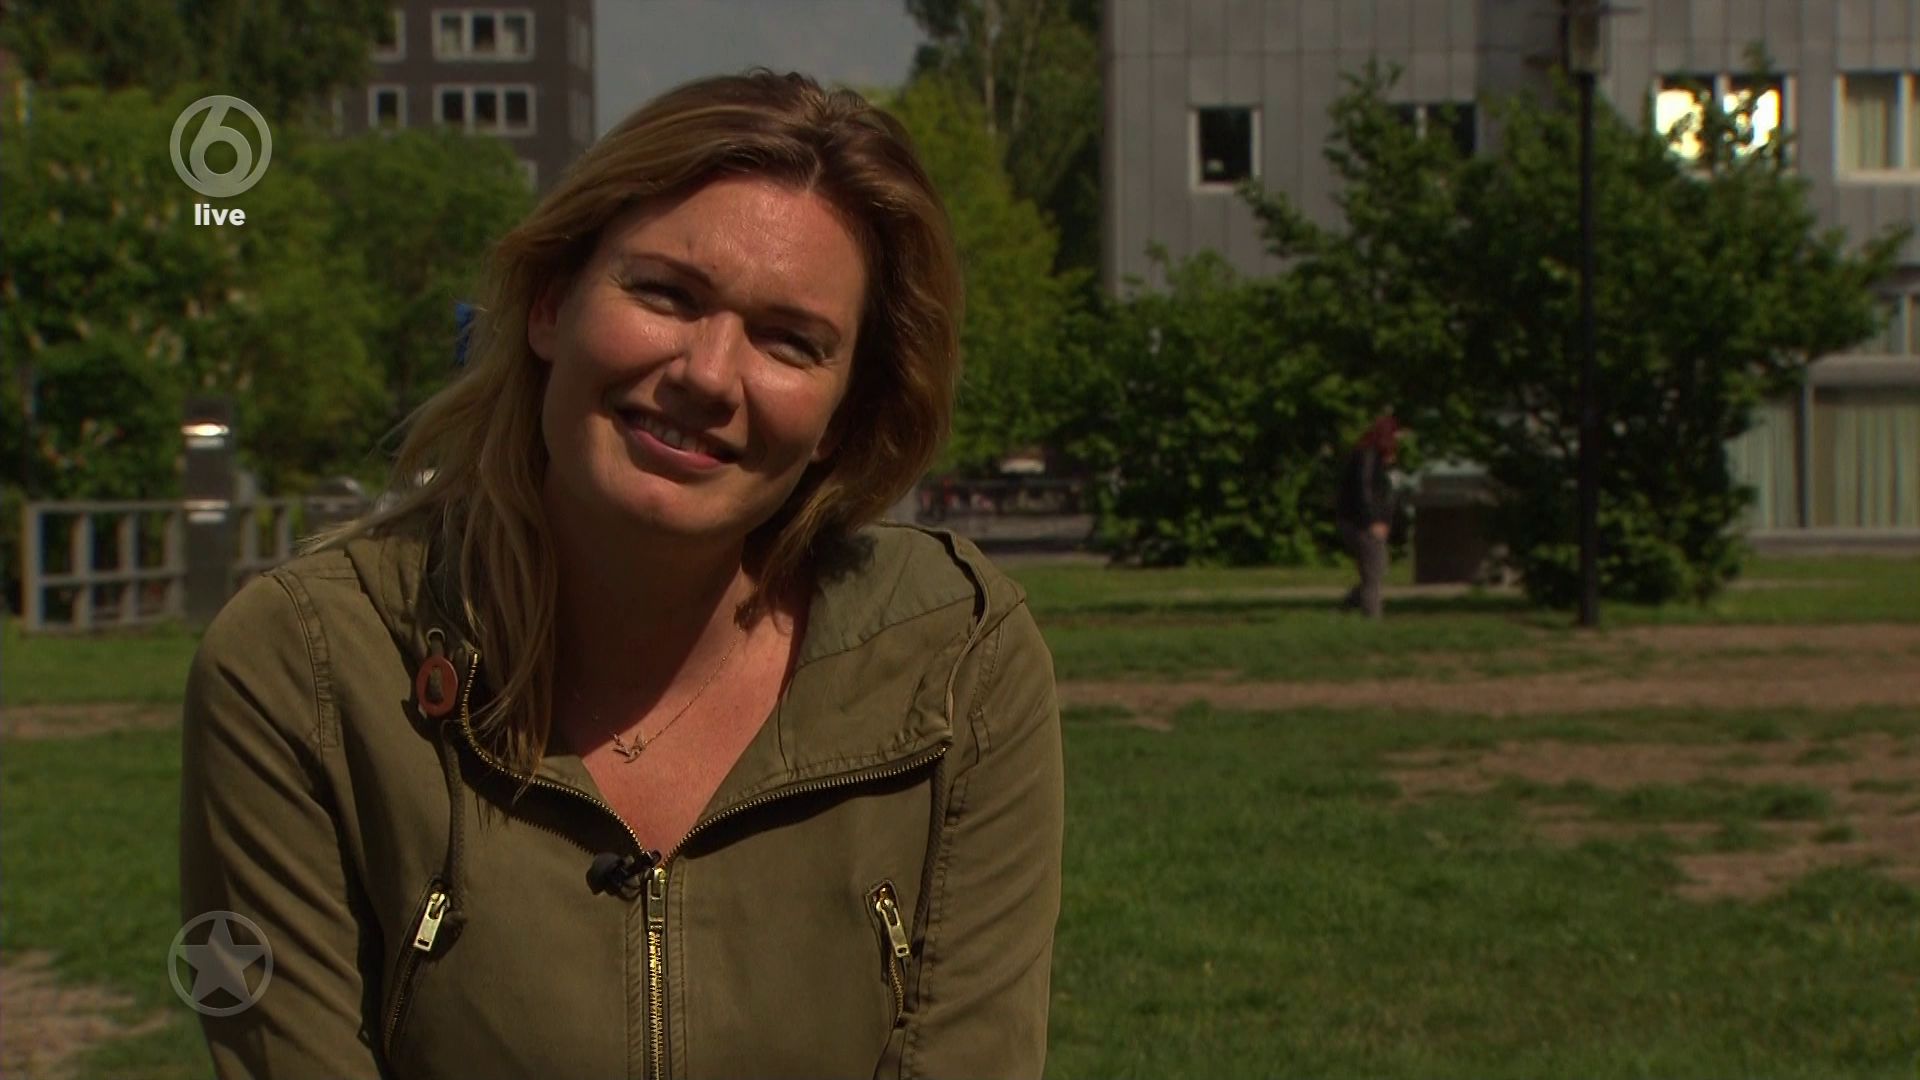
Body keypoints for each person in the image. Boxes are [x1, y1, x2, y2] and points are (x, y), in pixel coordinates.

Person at [179, 71, 1063, 1080]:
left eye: (789, 342)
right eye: (666, 294)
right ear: (551, 305)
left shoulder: (956, 664)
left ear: (842, 419)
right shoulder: (308, 668)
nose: (707, 374)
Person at [1336, 413, 1403, 618]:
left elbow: (1385, 491)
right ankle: (1372, 615)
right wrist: (1372, 520)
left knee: (1378, 569)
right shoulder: (1367, 455)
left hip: (1369, 521)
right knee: (1374, 571)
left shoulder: (1379, 458)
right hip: (1360, 522)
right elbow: (1364, 490)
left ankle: (1351, 603)